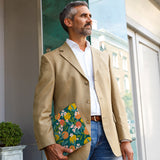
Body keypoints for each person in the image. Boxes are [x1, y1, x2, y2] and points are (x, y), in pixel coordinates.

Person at [33, 1, 134, 160]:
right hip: (73, 134)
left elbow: (116, 101)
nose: (89, 19)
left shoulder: (103, 57)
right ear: (69, 22)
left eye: (90, 16)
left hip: (108, 135)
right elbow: (42, 109)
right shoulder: (51, 60)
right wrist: (48, 144)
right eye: (83, 16)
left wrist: (125, 138)